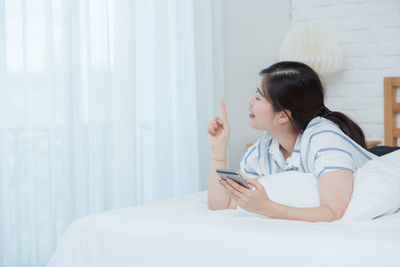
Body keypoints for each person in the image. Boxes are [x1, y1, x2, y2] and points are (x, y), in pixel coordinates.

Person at [206, 61, 377, 222]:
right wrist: (218, 152)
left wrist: (266, 207)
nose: (250, 102)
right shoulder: (265, 147)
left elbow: (334, 212)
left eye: (258, 98)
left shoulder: (324, 139)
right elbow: (223, 206)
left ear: (282, 116)